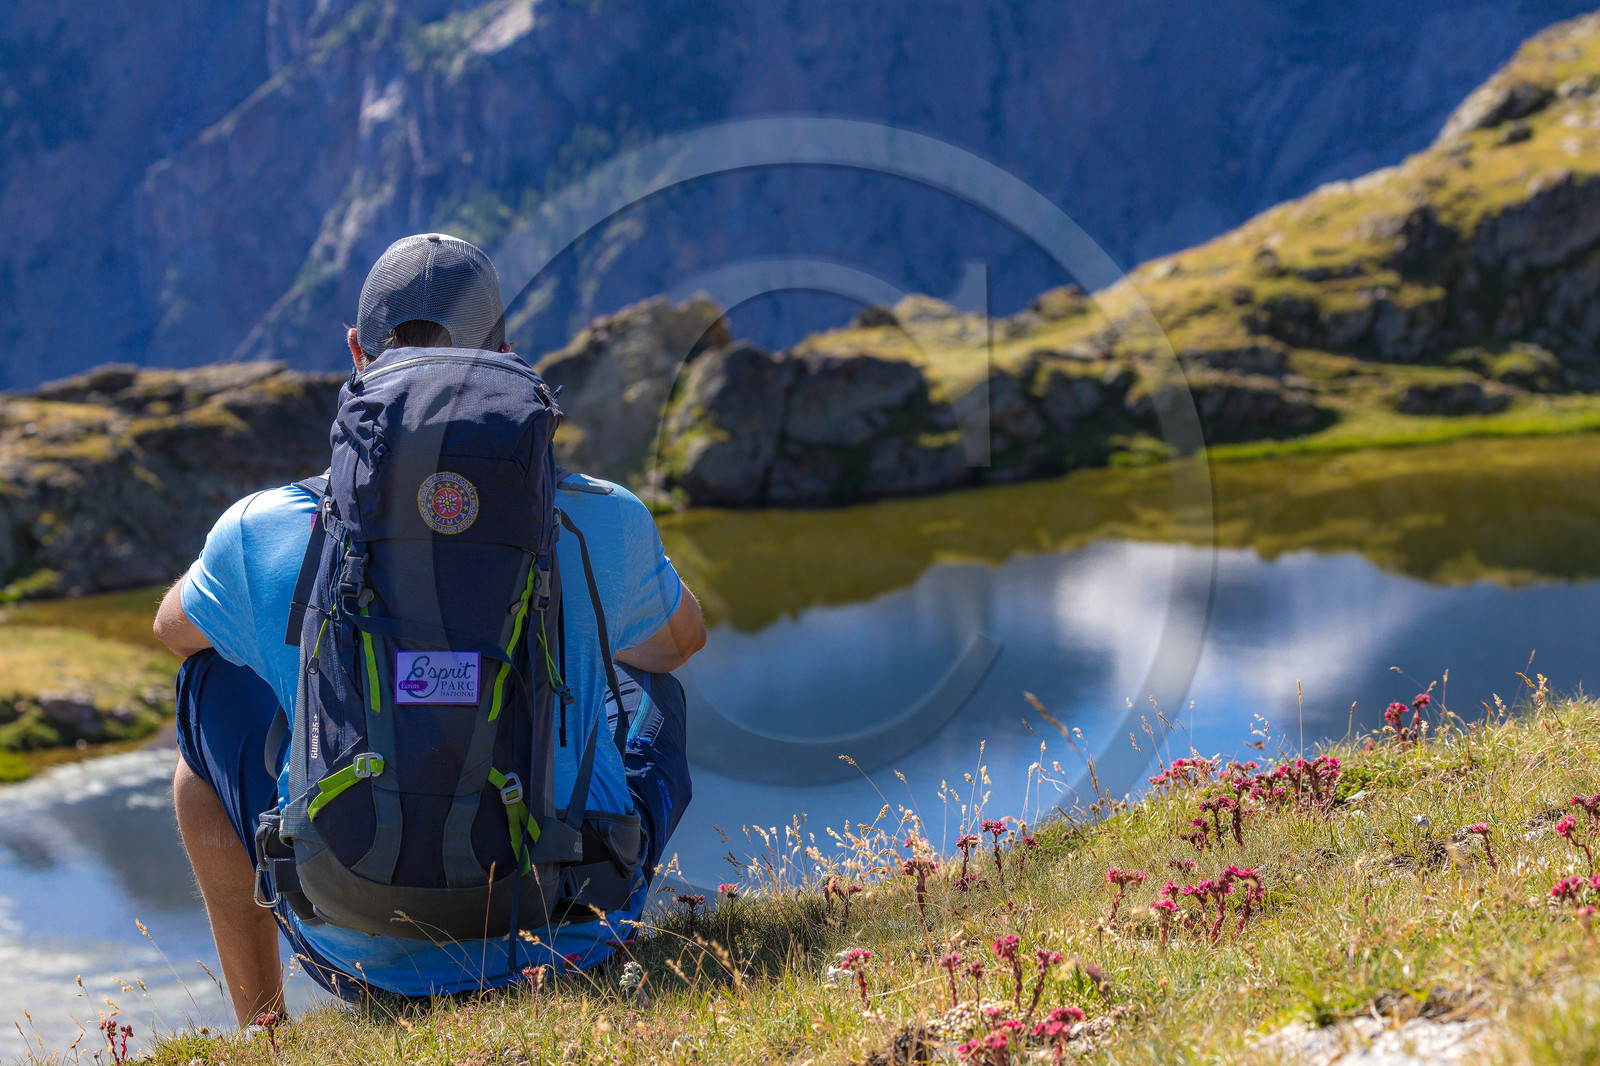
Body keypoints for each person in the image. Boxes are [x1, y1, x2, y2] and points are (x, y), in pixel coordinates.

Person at [152, 233, 704, 1025]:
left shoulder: (268, 527)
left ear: (356, 354)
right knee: (648, 689)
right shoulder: (599, 517)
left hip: (347, 944)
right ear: (505, 352)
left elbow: (175, 632)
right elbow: (678, 645)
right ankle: (594, 879)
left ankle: (263, 1028)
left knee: (203, 689)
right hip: (566, 936)